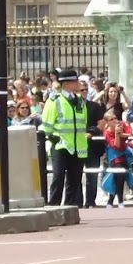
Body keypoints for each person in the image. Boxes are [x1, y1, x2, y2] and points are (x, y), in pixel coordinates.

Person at [41, 69, 89, 208]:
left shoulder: (80, 101)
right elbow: (47, 124)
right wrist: (52, 137)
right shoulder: (54, 100)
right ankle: (53, 206)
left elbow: (83, 122)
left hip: (78, 146)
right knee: (58, 177)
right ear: (67, 83)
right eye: (75, 81)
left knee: (74, 180)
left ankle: (70, 207)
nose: (78, 84)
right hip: (60, 145)